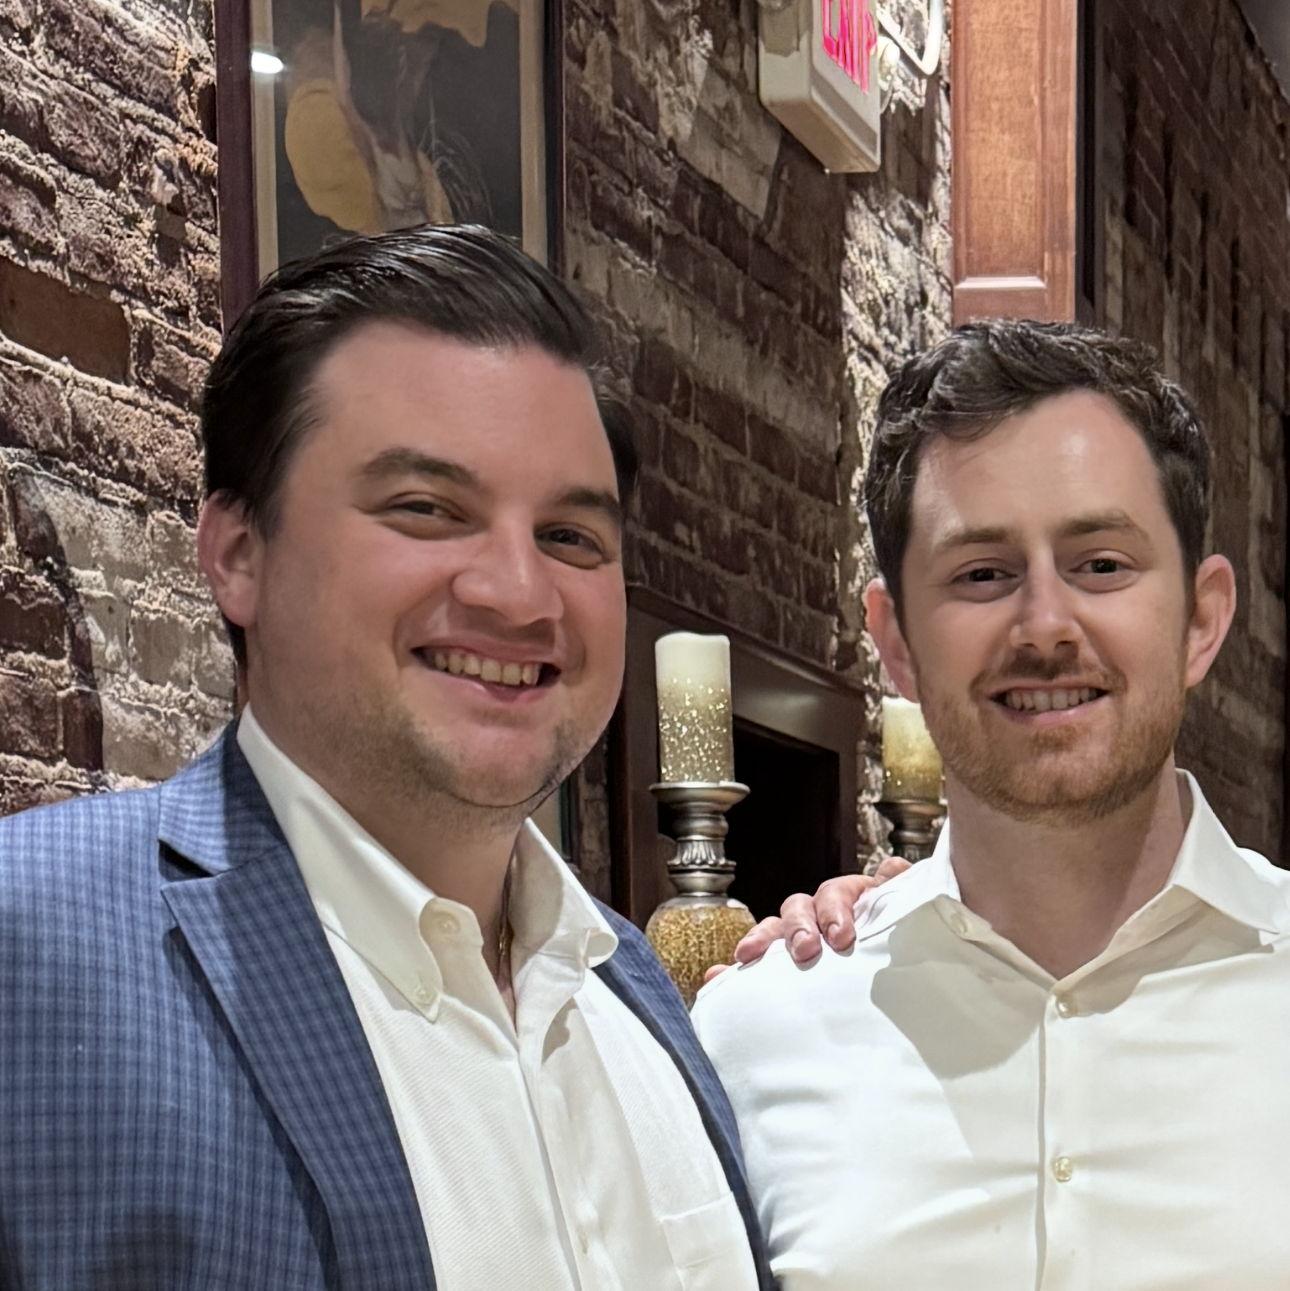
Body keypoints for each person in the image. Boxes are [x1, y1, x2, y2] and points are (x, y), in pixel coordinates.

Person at [0, 225, 775, 1289]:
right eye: (427, 510)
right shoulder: (36, 948)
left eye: (570, 536)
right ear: (238, 554)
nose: (519, 593)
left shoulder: (635, 984)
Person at [692, 320, 1290, 1289]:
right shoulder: (758, 1034)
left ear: (1202, 617)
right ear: (895, 639)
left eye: (1101, 563)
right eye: (982, 574)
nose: (1045, 626)